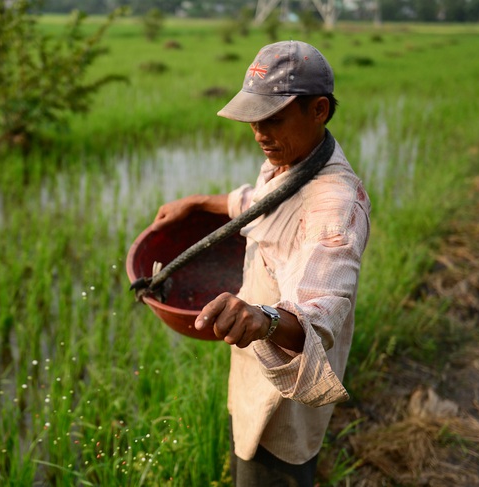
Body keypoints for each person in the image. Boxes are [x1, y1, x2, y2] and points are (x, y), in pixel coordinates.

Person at [150, 40, 371, 486]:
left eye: (273, 118)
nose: (259, 133)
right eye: (254, 119)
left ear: (319, 110)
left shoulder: (334, 205)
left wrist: (261, 317)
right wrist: (201, 202)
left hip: (284, 394)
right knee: (245, 450)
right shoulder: (292, 158)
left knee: (270, 469)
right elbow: (263, 203)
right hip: (255, 363)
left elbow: (319, 315)